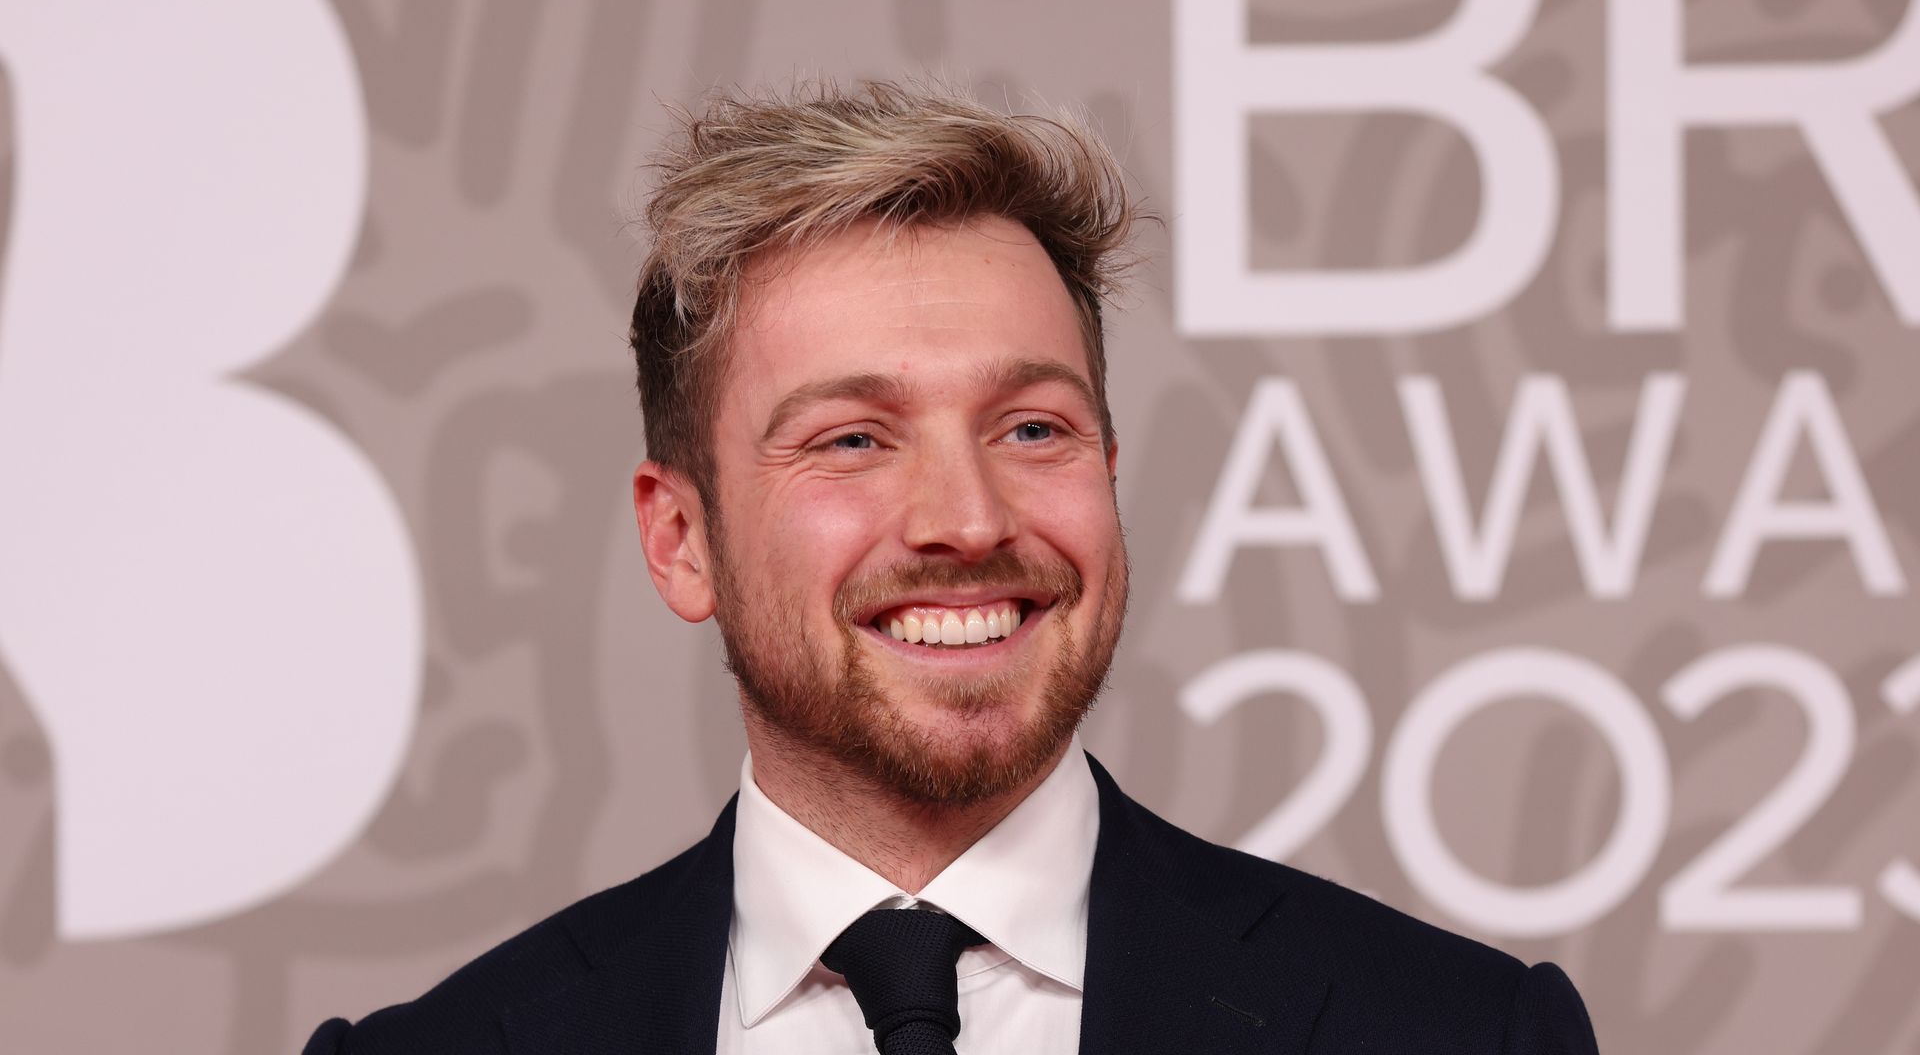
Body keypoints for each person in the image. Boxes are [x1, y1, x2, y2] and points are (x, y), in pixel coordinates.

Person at [303, 81, 1600, 1055]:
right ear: (678, 538)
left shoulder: (1463, 1035)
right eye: (852, 438)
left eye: (1032, 427)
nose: (966, 518)